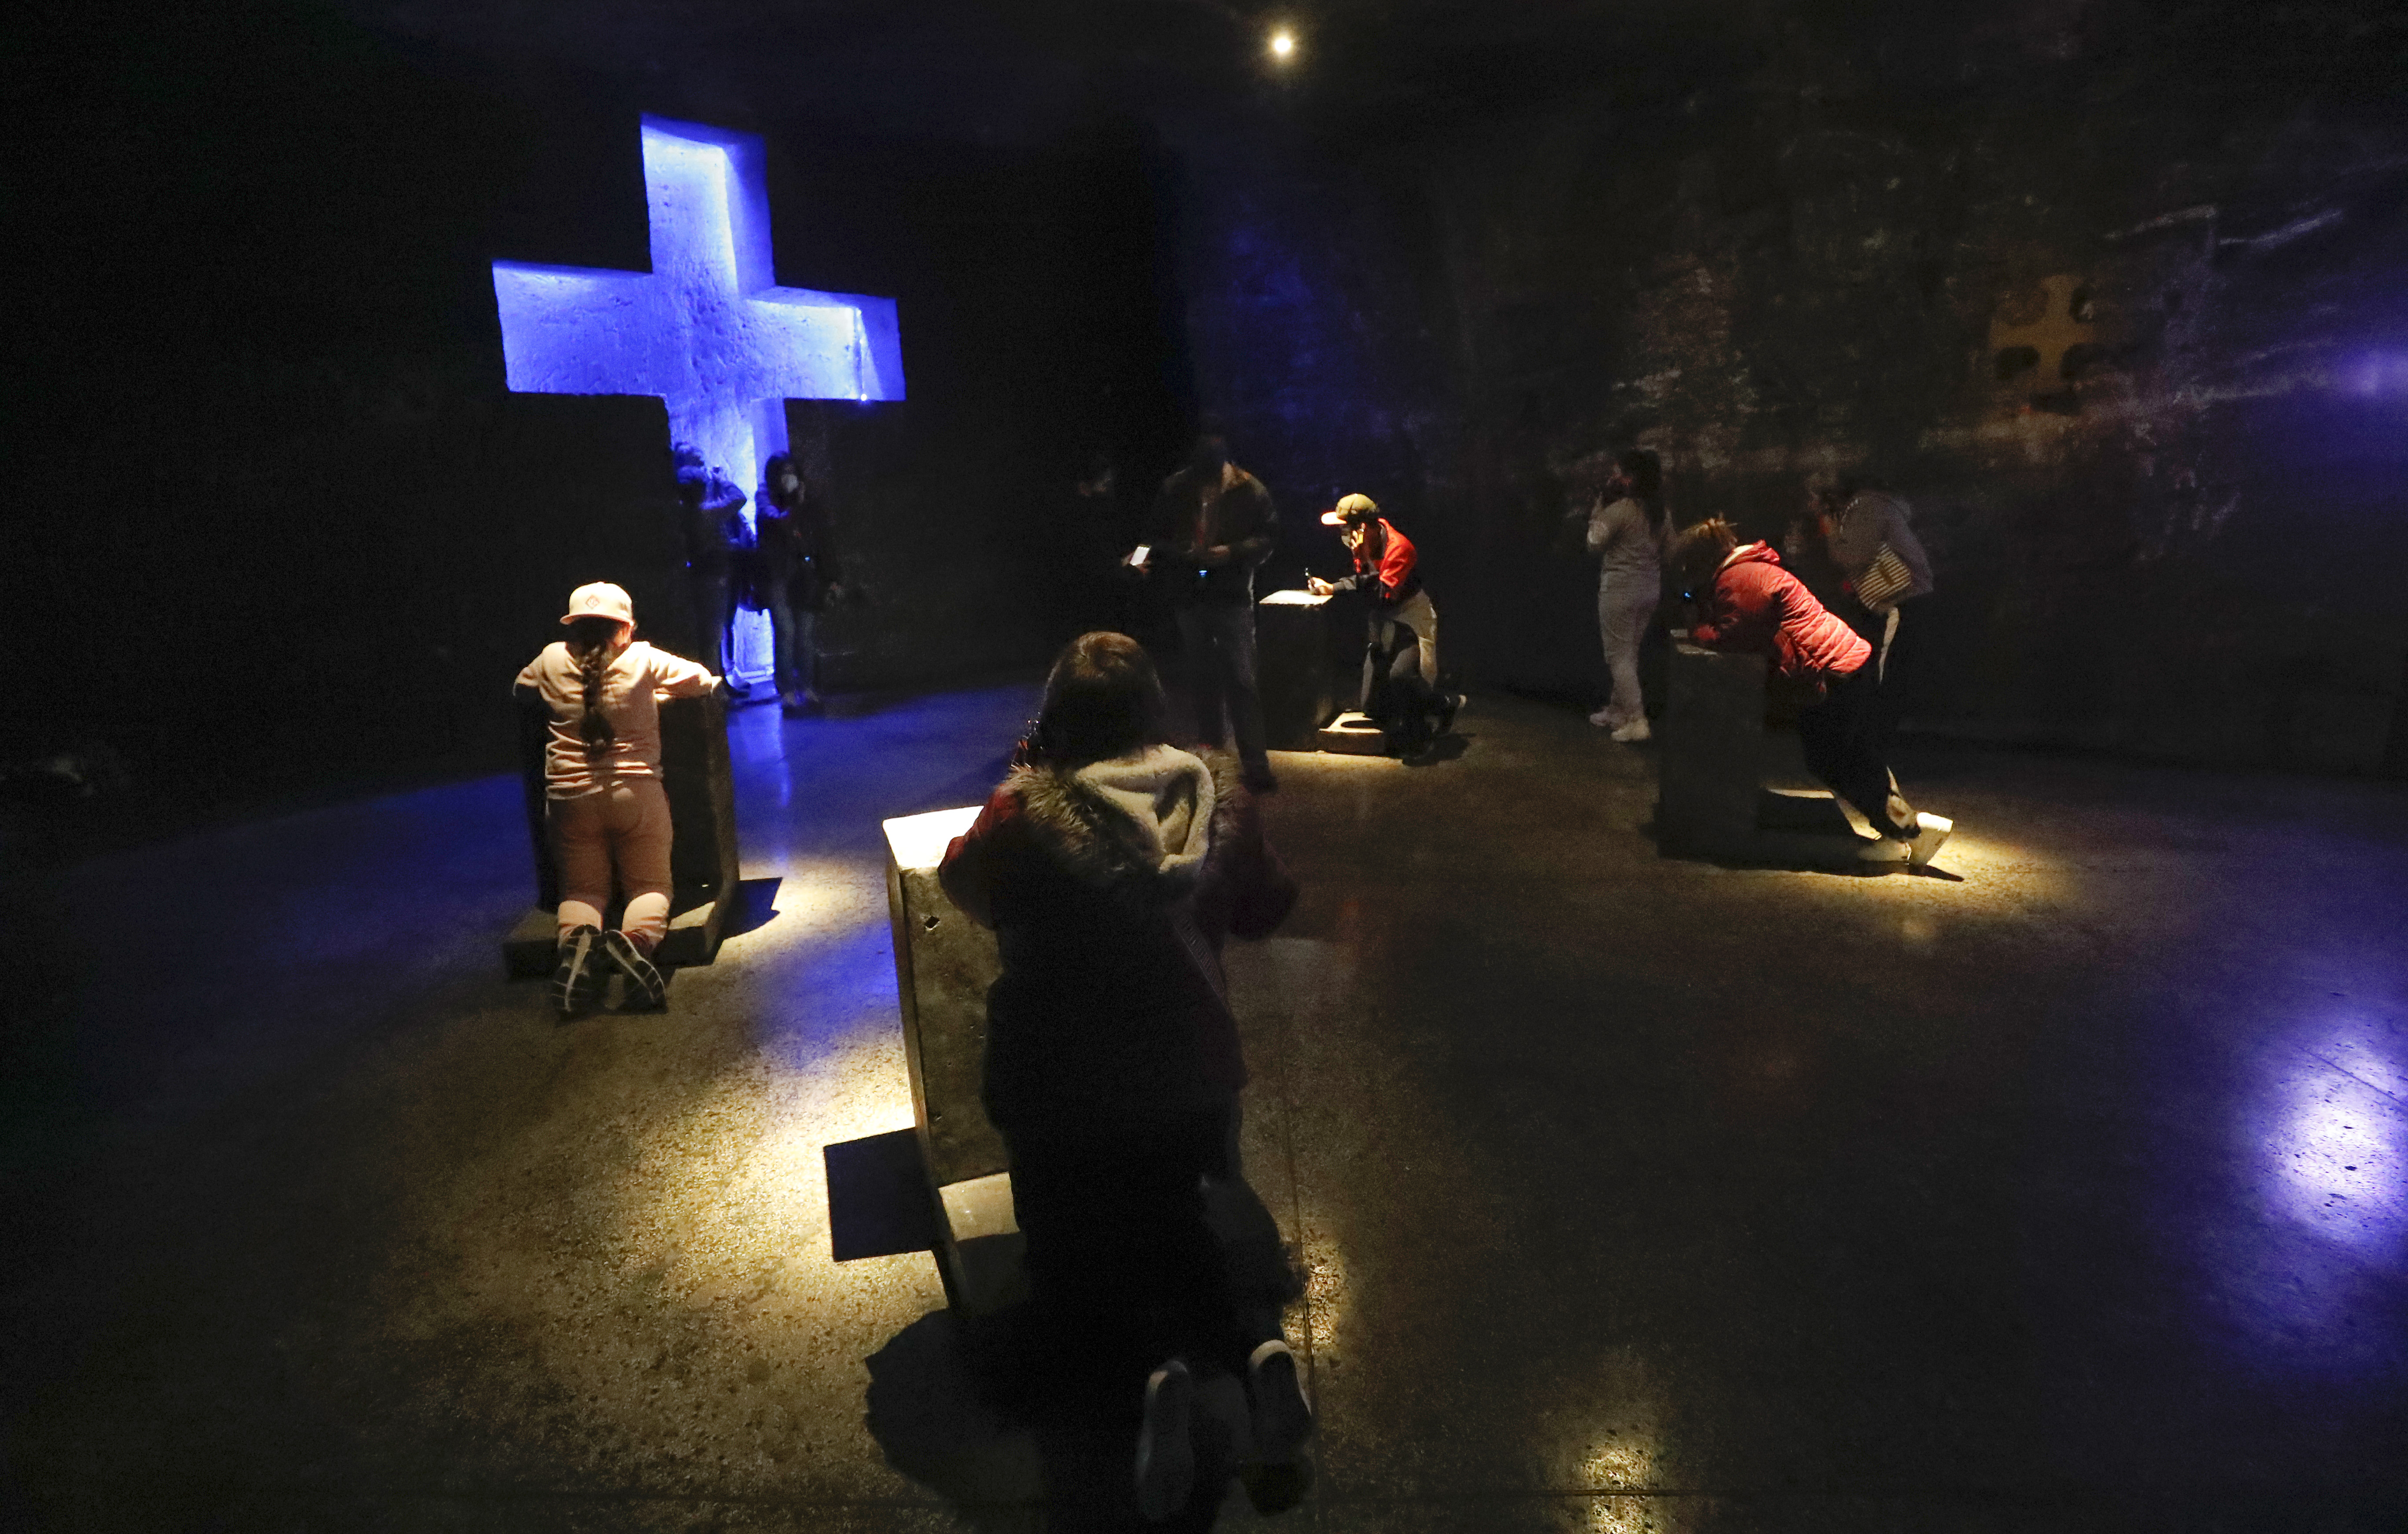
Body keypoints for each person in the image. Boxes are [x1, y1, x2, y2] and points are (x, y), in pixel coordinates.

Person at [937, 633, 1313, 1520]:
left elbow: (965, 887)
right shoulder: (1213, 798)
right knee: (1182, 1215)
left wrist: (1019, 783)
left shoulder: (1023, 818)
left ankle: (1152, 1377)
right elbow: (1269, 908)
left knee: (1078, 1248)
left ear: (1054, 719)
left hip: (1062, 1081)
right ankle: (1256, 1351)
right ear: (1156, 710)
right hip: (1194, 1070)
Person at [1667, 520, 1950, 867]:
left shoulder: (1740, 579)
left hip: (1833, 672)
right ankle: (1903, 823)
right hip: (1840, 665)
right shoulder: (1749, 571)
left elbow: (1734, 635)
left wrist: (1698, 627)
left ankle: (1903, 832)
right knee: (1846, 754)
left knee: (1836, 757)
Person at [513, 582, 721, 1014]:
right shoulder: (643, 657)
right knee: (649, 886)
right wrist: (654, 696)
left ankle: (580, 942)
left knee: (584, 892)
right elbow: (702, 681)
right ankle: (634, 944)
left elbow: (522, 690)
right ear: (626, 628)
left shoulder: (551, 658)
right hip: (637, 796)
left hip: (570, 801)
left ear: (573, 629)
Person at [1142, 429, 1280, 791]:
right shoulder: (1177, 488)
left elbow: (1269, 540)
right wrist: (1177, 552)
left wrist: (1232, 552)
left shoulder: (1250, 490)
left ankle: (1256, 766)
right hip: (1190, 594)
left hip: (1232, 594)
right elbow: (1153, 536)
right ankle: (1213, 766)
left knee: (1242, 680)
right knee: (1203, 681)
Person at [1307, 493, 1460, 754]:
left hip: (1410, 619)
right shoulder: (1365, 545)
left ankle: (1443, 705)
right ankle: (1408, 714)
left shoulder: (1399, 548)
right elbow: (1365, 584)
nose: (1343, 533)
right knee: (1372, 708)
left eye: (1346, 527)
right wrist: (1331, 587)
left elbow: (1381, 596)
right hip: (1385, 619)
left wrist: (1365, 559)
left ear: (1363, 527)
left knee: (1402, 679)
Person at [1582, 450, 1668, 742]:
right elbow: (1671, 549)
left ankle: (1636, 719)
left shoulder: (1621, 510)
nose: (1615, 476)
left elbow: (1594, 542)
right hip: (1650, 589)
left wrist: (1601, 505)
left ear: (1631, 478)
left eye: (1619, 471)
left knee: (1618, 656)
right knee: (1629, 652)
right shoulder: (1660, 513)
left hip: (1620, 590)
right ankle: (1618, 710)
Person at [755, 451, 840, 716]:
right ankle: (788, 692)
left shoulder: (809, 504)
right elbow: (777, 528)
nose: (788, 478)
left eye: (792, 472)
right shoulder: (767, 501)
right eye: (784, 473)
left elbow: (822, 540)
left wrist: (832, 577)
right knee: (786, 632)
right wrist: (794, 505)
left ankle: (808, 688)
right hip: (778, 576)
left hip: (805, 576)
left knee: (805, 633)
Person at [672, 444, 753, 695]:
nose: (700, 464)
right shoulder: (703, 511)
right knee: (714, 633)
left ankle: (721, 682)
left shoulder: (683, 511)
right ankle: (716, 691)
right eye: (694, 460)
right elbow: (738, 499)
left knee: (721, 627)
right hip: (714, 575)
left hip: (716, 571)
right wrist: (722, 480)